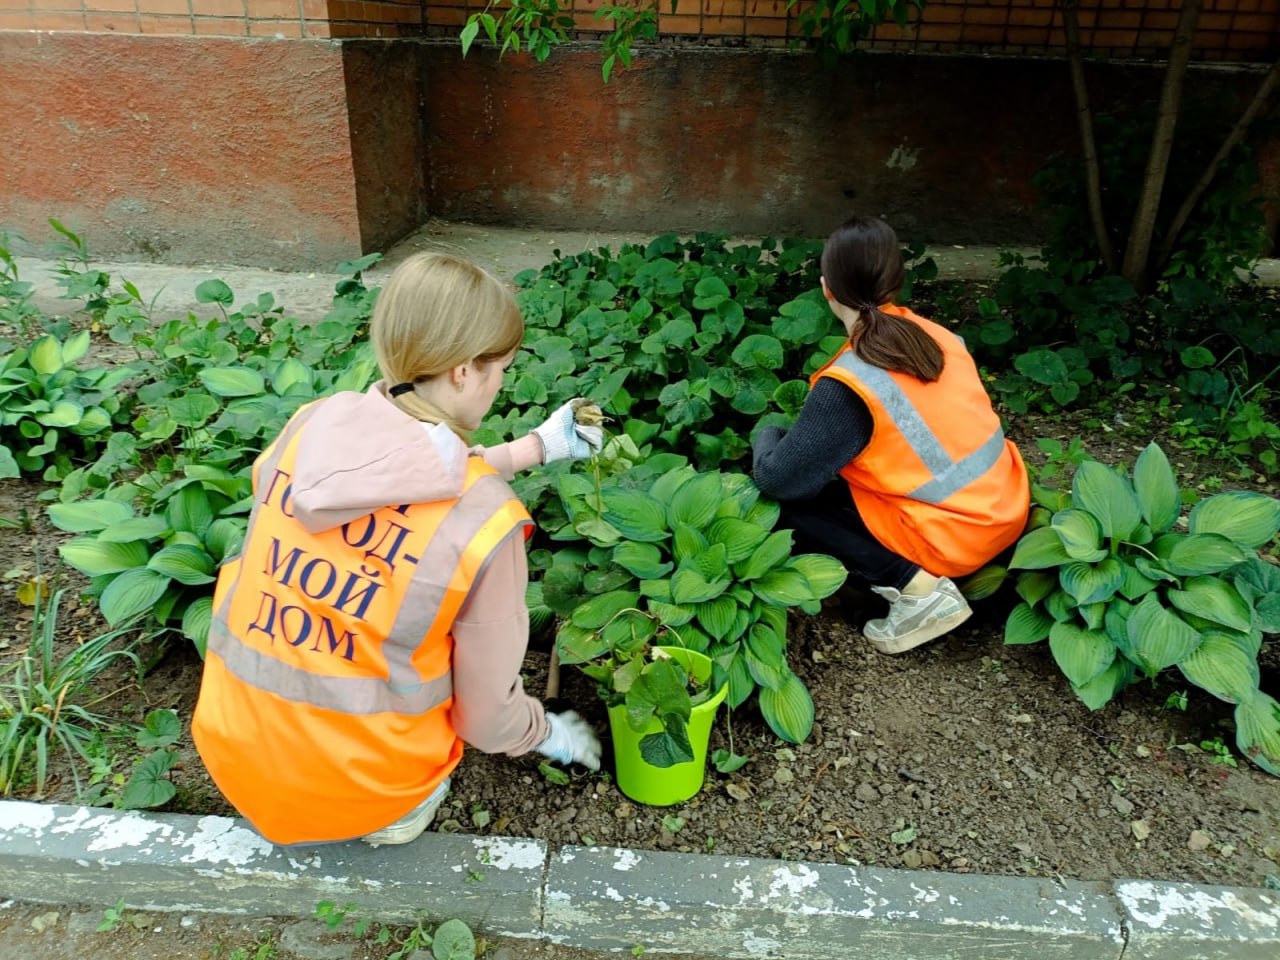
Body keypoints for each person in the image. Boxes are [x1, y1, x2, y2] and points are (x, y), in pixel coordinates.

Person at [192, 251, 604, 847]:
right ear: (462, 371)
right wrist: (546, 732)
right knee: (422, 763)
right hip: (362, 788)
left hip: (232, 750)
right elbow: (487, 720)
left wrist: (533, 449)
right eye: (501, 369)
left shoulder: (310, 426)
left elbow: (391, 479)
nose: (499, 384)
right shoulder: (486, 524)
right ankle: (390, 823)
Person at [752, 216, 1029, 654]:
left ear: (827, 288)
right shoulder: (938, 337)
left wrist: (769, 433)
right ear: (896, 281)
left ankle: (918, 592)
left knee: (779, 504)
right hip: (1004, 514)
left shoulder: (852, 382)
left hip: (953, 542)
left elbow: (778, 479)